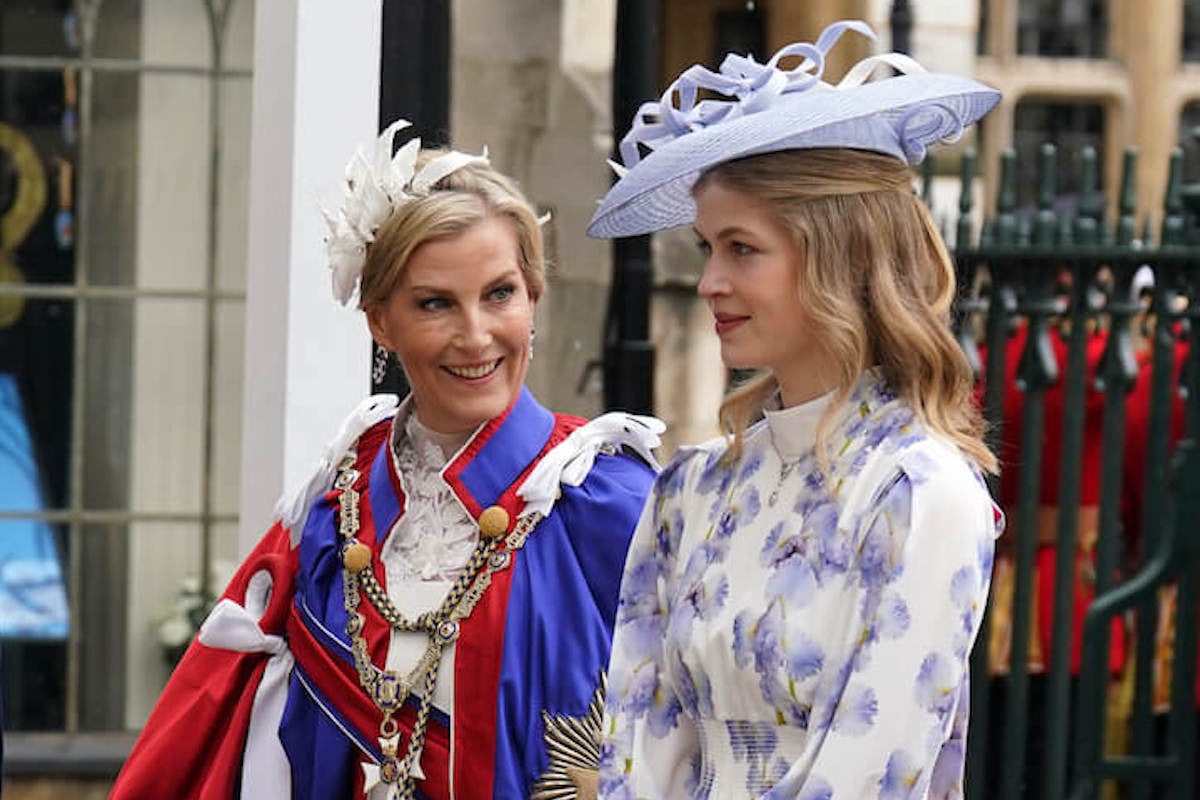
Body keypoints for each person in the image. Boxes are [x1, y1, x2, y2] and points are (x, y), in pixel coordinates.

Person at [109, 120, 663, 800]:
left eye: (499, 293)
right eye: (435, 303)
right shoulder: (331, 510)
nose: (476, 336)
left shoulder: (610, 500)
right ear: (380, 321)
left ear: (533, 296)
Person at [587, 21, 1004, 799]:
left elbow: (871, 772)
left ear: (839, 257)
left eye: (740, 248)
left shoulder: (920, 490)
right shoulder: (692, 489)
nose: (710, 280)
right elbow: (638, 740)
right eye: (707, 246)